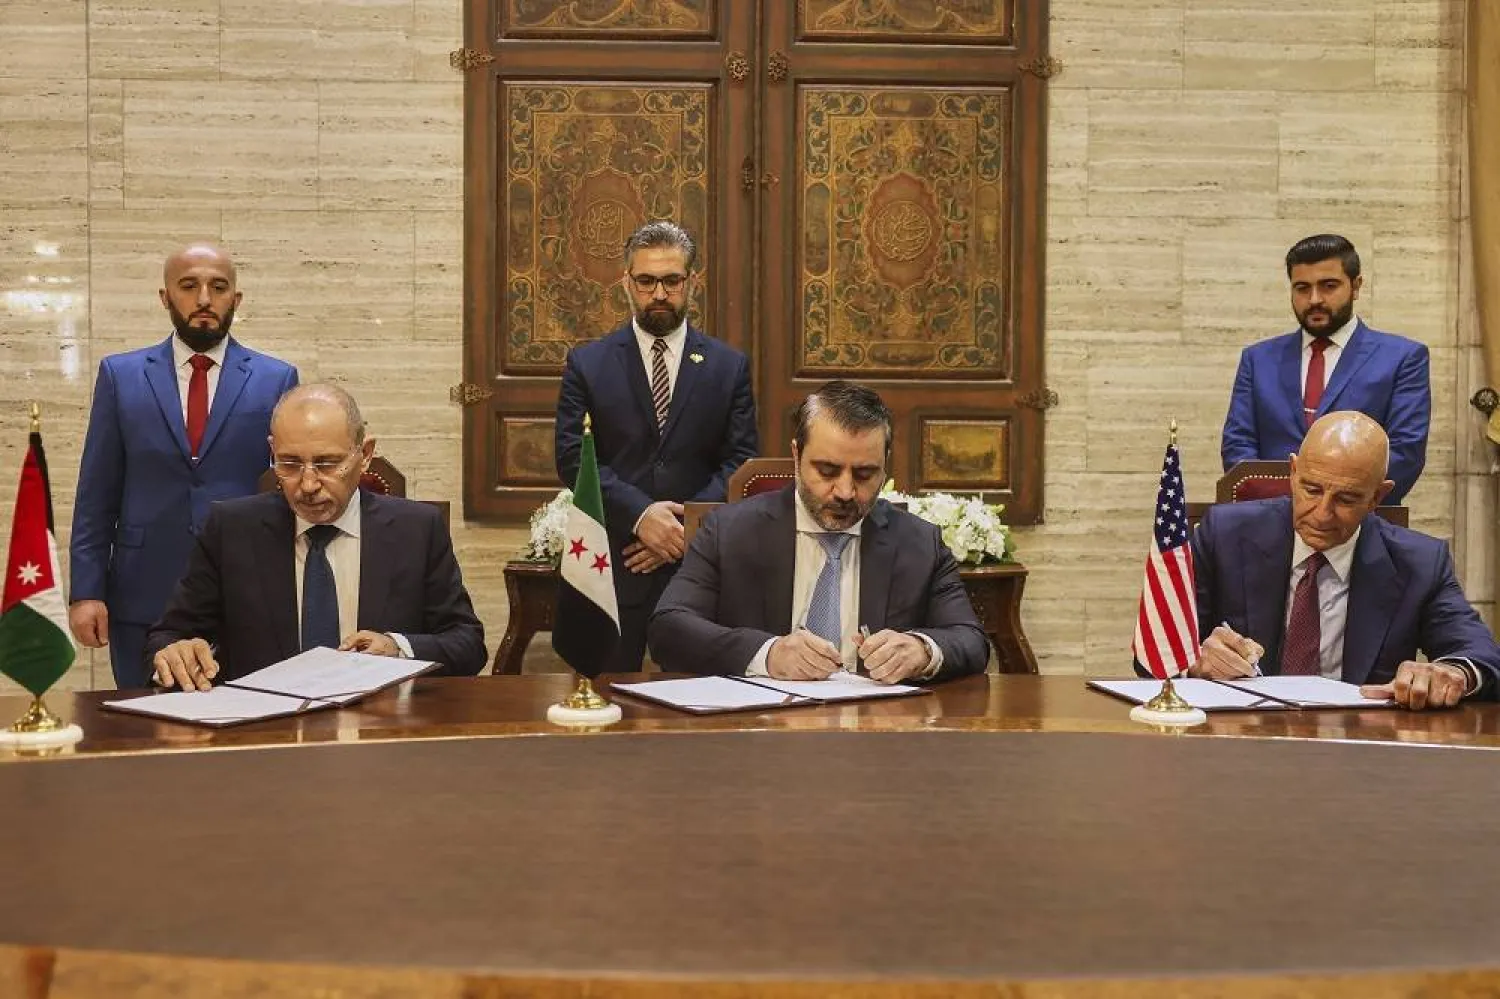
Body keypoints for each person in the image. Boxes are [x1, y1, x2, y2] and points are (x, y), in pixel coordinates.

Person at [145, 384, 486, 689]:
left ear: (364, 455)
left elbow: (467, 644)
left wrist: (398, 648)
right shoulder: (231, 529)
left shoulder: (417, 530)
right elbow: (167, 635)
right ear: (272, 451)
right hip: (263, 734)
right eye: (289, 464)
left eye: (327, 463)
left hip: (380, 734)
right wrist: (174, 653)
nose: (307, 485)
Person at [648, 381, 988, 683]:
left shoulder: (919, 543)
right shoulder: (729, 532)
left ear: (886, 464)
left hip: (877, 737)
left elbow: (970, 640)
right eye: (827, 470)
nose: (844, 491)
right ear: (796, 455)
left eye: (865, 474)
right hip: (758, 734)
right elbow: (669, 629)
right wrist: (768, 654)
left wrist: (922, 650)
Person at [70, 244, 299, 689]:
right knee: (144, 735)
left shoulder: (277, 378)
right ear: (165, 297)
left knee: (247, 736)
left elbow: (286, 492)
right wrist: (87, 591)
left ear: (237, 299)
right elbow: (96, 494)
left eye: (218, 287)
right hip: (141, 596)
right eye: (189, 286)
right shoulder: (122, 376)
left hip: (244, 597)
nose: (204, 300)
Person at [554, 220, 758, 673]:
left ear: (692, 282)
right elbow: (573, 456)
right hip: (619, 560)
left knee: (703, 702)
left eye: (671, 280)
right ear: (627, 282)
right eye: (646, 281)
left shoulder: (728, 366)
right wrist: (644, 518)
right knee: (608, 698)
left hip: (701, 563)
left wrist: (683, 529)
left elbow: (741, 460)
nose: (659, 293)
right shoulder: (588, 364)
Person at [1192, 411, 1499, 711]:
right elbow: (1158, 655)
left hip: (1362, 746)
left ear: (1377, 496)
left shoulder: (1419, 563)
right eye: (1311, 490)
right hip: (1244, 740)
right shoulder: (1224, 536)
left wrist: (1453, 673)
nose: (1322, 514)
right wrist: (1197, 663)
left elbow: (1482, 658)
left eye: (1346, 499)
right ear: (1293, 472)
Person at [1220, 234, 1430, 503]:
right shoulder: (1258, 359)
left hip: (1362, 527)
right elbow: (1238, 448)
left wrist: (1335, 506)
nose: (1314, 299)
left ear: (1356, 286)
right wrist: (1291, 507)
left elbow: (1404, 453)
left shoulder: (1403, 358)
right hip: (1269, 523)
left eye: (1328, 286)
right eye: (1302, 288)